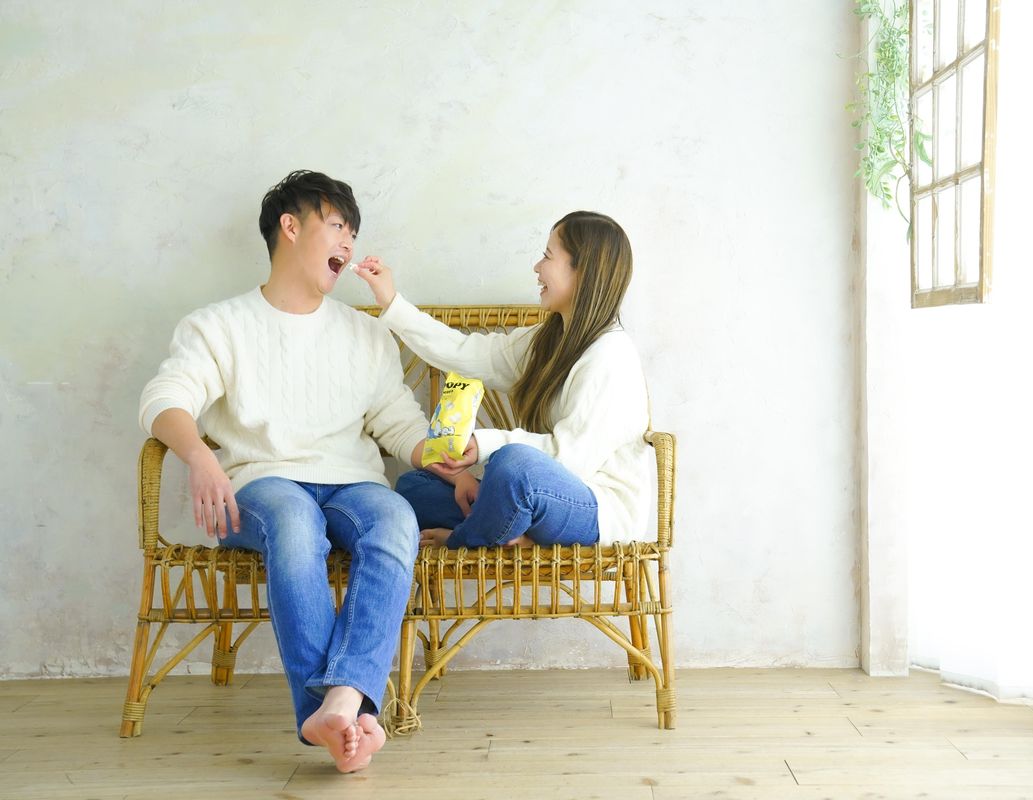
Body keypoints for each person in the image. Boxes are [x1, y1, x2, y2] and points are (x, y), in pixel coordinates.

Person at [137, 170, 430, 773]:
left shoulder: (365, 334)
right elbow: (164, 399)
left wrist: (448, 462)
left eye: (353, 232)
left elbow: (400, 426)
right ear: (290, 227)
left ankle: (340, 704)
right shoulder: (218, 325)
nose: (348, 242)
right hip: (261, 487)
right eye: (337, 225)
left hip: (351, 484)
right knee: (296, 521)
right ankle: (336, 713)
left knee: (396, 518)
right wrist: (199, 457)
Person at [353, 211, 654, 549]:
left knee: (512, 465)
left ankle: (463, 540)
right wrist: (391, 301)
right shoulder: (547, 341)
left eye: (547, 256)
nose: (537, 267)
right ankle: (514, 534)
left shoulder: (610, 356)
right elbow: (464, 352)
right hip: (535, 498)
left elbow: (572, 462)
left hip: (595, 510)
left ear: (581, 272)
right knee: (415, 488)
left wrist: (485, 445)